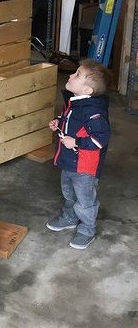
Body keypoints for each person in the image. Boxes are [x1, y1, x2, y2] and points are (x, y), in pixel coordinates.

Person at [46, 59, 112, 250]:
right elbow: (71, 121)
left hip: (84, 166)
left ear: (87, 90)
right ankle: (69, 218)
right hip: (69, 161)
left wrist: (76, 142)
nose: (70, 75)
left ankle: (87, 229)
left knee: (84, 200)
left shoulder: (93, 110)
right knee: (68, 192)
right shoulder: (76, 102)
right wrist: (58, 121)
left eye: (77, 75)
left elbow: (101, 138)